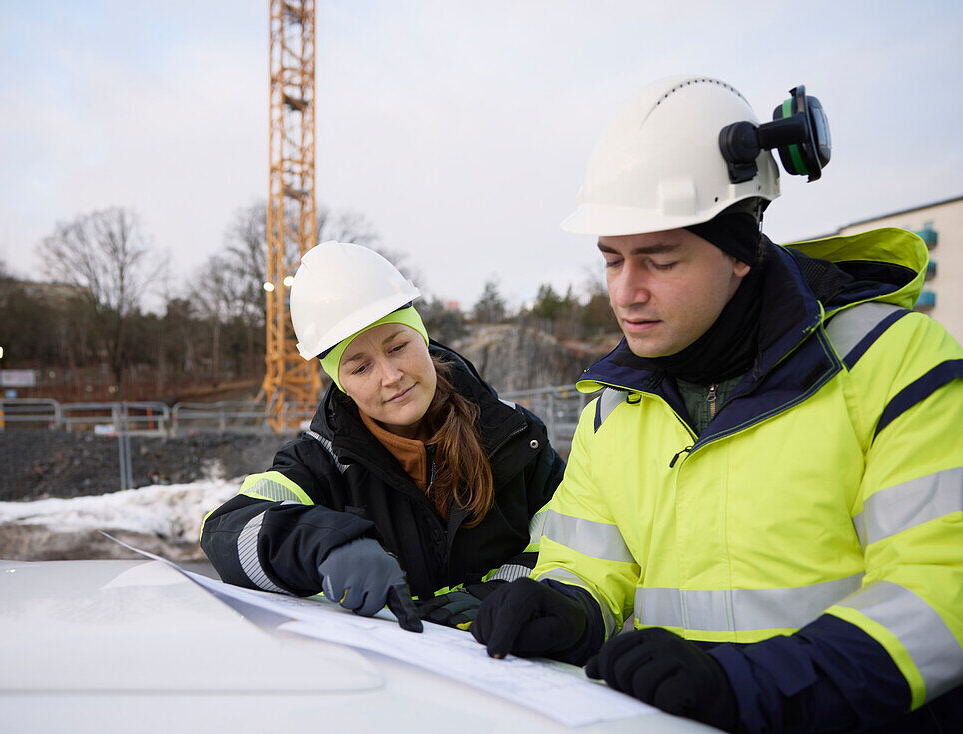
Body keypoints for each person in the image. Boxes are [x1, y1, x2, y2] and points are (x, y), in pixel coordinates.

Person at [471, 75, 962, 732]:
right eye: (612, 260)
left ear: (741, 250)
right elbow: (591, 564)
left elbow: (938, 593)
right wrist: (566, 609)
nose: (626, 292)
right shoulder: (611, 408)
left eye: (659, 260)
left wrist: (750, 684)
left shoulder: (894, 363)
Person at [201, 241, 565, 632]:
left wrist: (497, 595)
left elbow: (571, 543)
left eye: (398, 346)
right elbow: (227, 529)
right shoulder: (322, 463)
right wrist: (325, 543)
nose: (390, 376)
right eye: (360, 368)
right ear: (341, 385)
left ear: (422, 338)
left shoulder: (516, 438)